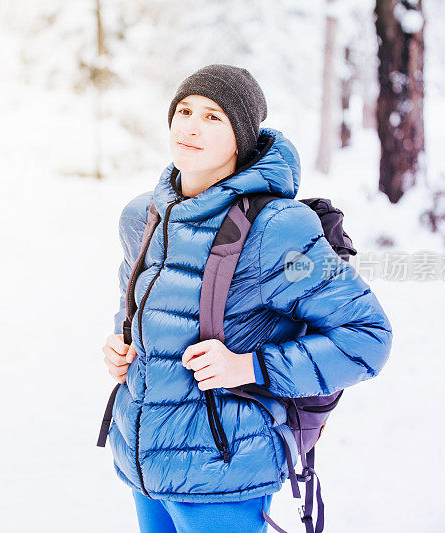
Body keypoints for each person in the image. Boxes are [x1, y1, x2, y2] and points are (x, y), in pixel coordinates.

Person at [100, 64, 393, 533]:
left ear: (240, 136)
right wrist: (120, 345)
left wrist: (250, 366)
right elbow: (134, 309)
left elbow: (367, 338)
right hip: (144, 466)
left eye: (214, 117)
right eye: (184, 110)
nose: (191, 126)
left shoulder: (276, 228)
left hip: (226, 471)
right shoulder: (145, 215)